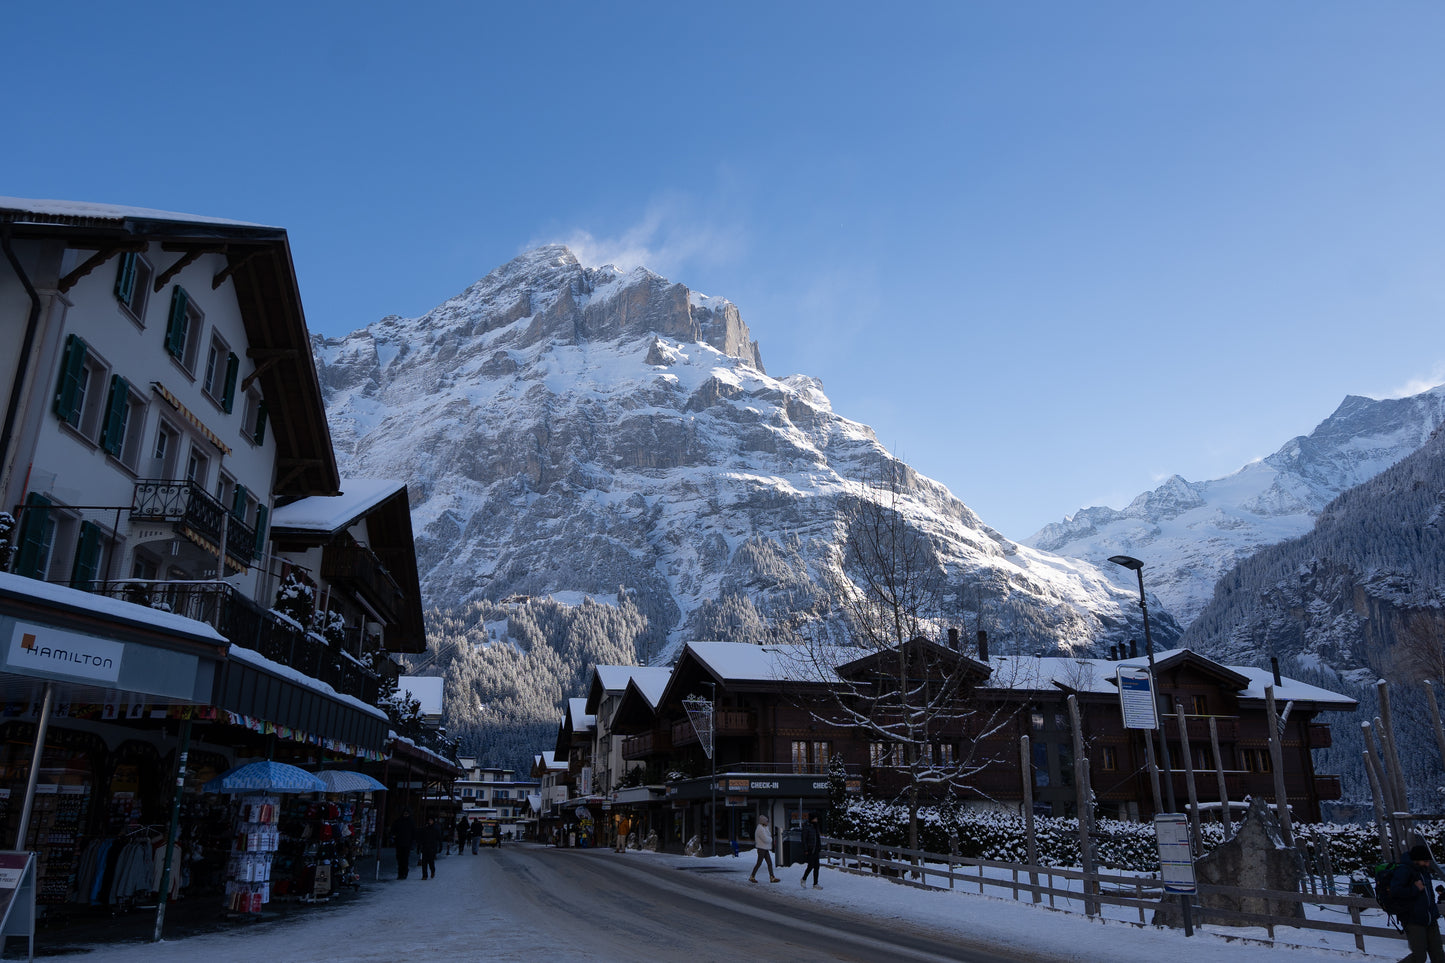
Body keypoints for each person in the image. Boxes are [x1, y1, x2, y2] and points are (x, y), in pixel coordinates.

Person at [1390, 844, 1444, 963]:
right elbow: (1395, 891)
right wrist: (1414, 889)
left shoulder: (1423, 871)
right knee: (1419, 957)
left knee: (1439, 956)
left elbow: (1429, 895)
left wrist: (1433, 912)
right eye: (1425, 861)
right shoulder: (1403, 870)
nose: (1428, 864)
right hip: (1413, 920)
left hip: (1430, 919)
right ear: (1416, 859)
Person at [747, 814, 778, 883]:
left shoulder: (765, 828)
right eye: (766, 821)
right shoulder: (760, 829)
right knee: (759, 863)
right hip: (761, 848)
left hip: (765, 848)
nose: (768, 822)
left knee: (769, 863)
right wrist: (771, 839)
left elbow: (768, 836)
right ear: (763, 821)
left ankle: (772, 877)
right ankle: (752, 876)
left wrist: (769, 838)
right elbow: (765, 839)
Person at [799, 812, 822, 889]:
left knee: (816, 867)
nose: (817, 819)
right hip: (810, 849)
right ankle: (804, 878)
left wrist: (819, 847)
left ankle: (815, 883)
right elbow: (804, 839)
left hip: (816, 849)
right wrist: (806, 849)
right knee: (810, 866)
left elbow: (817, 838)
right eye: (815, 818)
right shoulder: (807, 827)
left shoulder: (816, 827)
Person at [391, 808, 415, 880]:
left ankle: (404, 873)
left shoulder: (411, 822)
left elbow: (414, 833)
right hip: (399, 843)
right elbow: (393, 830)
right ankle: (400, 873)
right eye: (405, 813)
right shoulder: (398, 821)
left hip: (407, 843)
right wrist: (394, 836)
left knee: (405, 859)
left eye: (407, 814)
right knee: (399, 859)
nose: (405, 815)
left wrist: (412, 842)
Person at [418, 815, 440, 880]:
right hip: (425, 847)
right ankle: (424, 875)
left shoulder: (435, 829)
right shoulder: (424, 829)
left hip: (432, 848)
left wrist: (439, 847)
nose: (430, 822)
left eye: (431, 820)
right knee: (424, 862)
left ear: (433, 821)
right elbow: (421, 838)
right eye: (429, 820)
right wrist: (419, 846)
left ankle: (432, 871)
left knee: (431, 862)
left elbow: (438, 838)